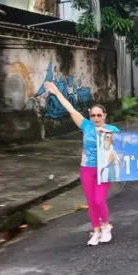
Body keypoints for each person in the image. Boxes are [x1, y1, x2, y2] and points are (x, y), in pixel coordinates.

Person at [43, 81, 119, 246]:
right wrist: (56, 92)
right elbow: (70, 108)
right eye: (93, 115)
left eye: (99, 115)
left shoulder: (113, 129)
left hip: (104, 170)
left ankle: (106, 226)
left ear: (105, 116)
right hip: (87, 169)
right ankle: (96, 230)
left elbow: (121, 147)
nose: (96, 118)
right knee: (91, 202)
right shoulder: (86, 126)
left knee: (99, 200)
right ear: (90, 116)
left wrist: (104, 133)